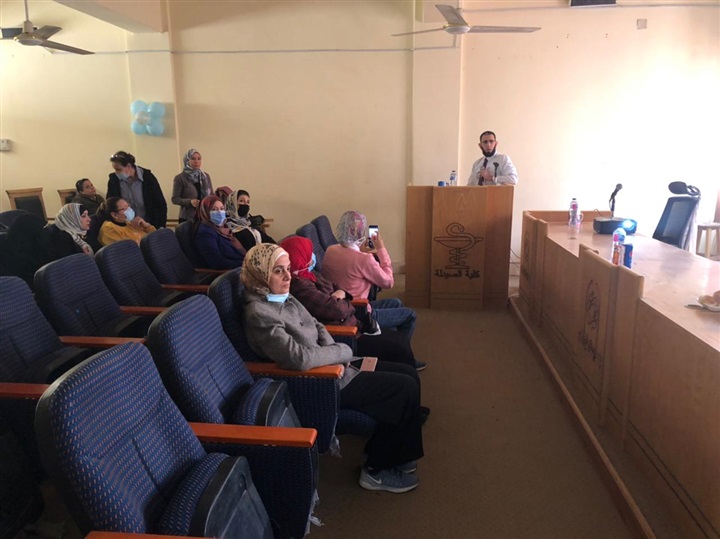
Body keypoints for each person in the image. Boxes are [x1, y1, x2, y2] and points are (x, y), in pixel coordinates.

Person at [241, 243, 424, 493]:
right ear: (260, 275)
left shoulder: (283, 295)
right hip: (319, 381)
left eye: (288, 269)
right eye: (277, 271)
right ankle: (376, 471)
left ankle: (395, 452)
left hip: (333, 363)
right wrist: (341, 353)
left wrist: (333, 350)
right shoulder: (259, 313)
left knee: (407, 373)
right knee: (403, 388)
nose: (287, 277)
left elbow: (316, 324)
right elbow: (298, 358)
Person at [280, 235, 418, 368]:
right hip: (349, 328)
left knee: (396, 313)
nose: (312, 256)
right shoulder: (301, 286)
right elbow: (337, 309)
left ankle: (395, 357)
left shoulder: (312, 272)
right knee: (405, 330)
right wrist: (341, 298)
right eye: (308, 253)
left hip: (353, 317)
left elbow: (335, 286)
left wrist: (340, 295)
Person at [322, 211, 421, 353]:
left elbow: (350, 263)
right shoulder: (364, 260)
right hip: (359, 313)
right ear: (361, 233)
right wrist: (381, 248)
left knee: (396, 303)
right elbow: (388, 282)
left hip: (341, 307)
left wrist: (361, 251)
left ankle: (390, 344)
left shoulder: (330, 250)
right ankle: (402, 352)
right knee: (410, 315)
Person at [108, 151, 167, 228]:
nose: (116, 173)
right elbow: (110, 205)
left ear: (129, 166)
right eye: (115, 169)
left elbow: (160, 204)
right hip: (125, 227)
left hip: (149, 224)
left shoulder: (148, 178)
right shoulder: (114, 180)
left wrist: (159, 226)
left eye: (119, 169)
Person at [193, 195, 245, 269]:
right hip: (227, 272)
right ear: (205, 212)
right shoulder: (205, 232)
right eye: (214, 209)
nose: (220, 212)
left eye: (222, 209)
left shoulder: (223, 228)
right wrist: (245, 264)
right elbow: (217, 262)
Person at [172, 149, 214, 223]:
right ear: (187, 160)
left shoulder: (205, 176)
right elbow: (175, 199)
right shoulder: (180, 178)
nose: (196, 161)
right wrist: (190, 202)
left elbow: (211, 195)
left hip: (204, 216)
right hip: (187, 218)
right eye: (193, 159)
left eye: (199, 159)